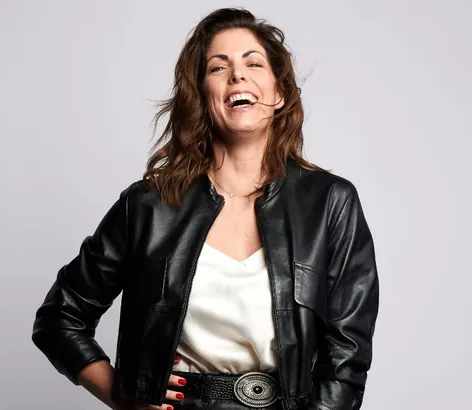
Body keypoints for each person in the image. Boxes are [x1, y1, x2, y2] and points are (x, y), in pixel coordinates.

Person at [32, 7, 380, 410]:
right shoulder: (149, 206)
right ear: (201, 94)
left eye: (253, 63)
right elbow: (59, 319)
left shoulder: (330, 202)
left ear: (279, 92)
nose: (238, 75)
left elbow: (346, 359)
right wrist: (126, 402)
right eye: (219, 67)